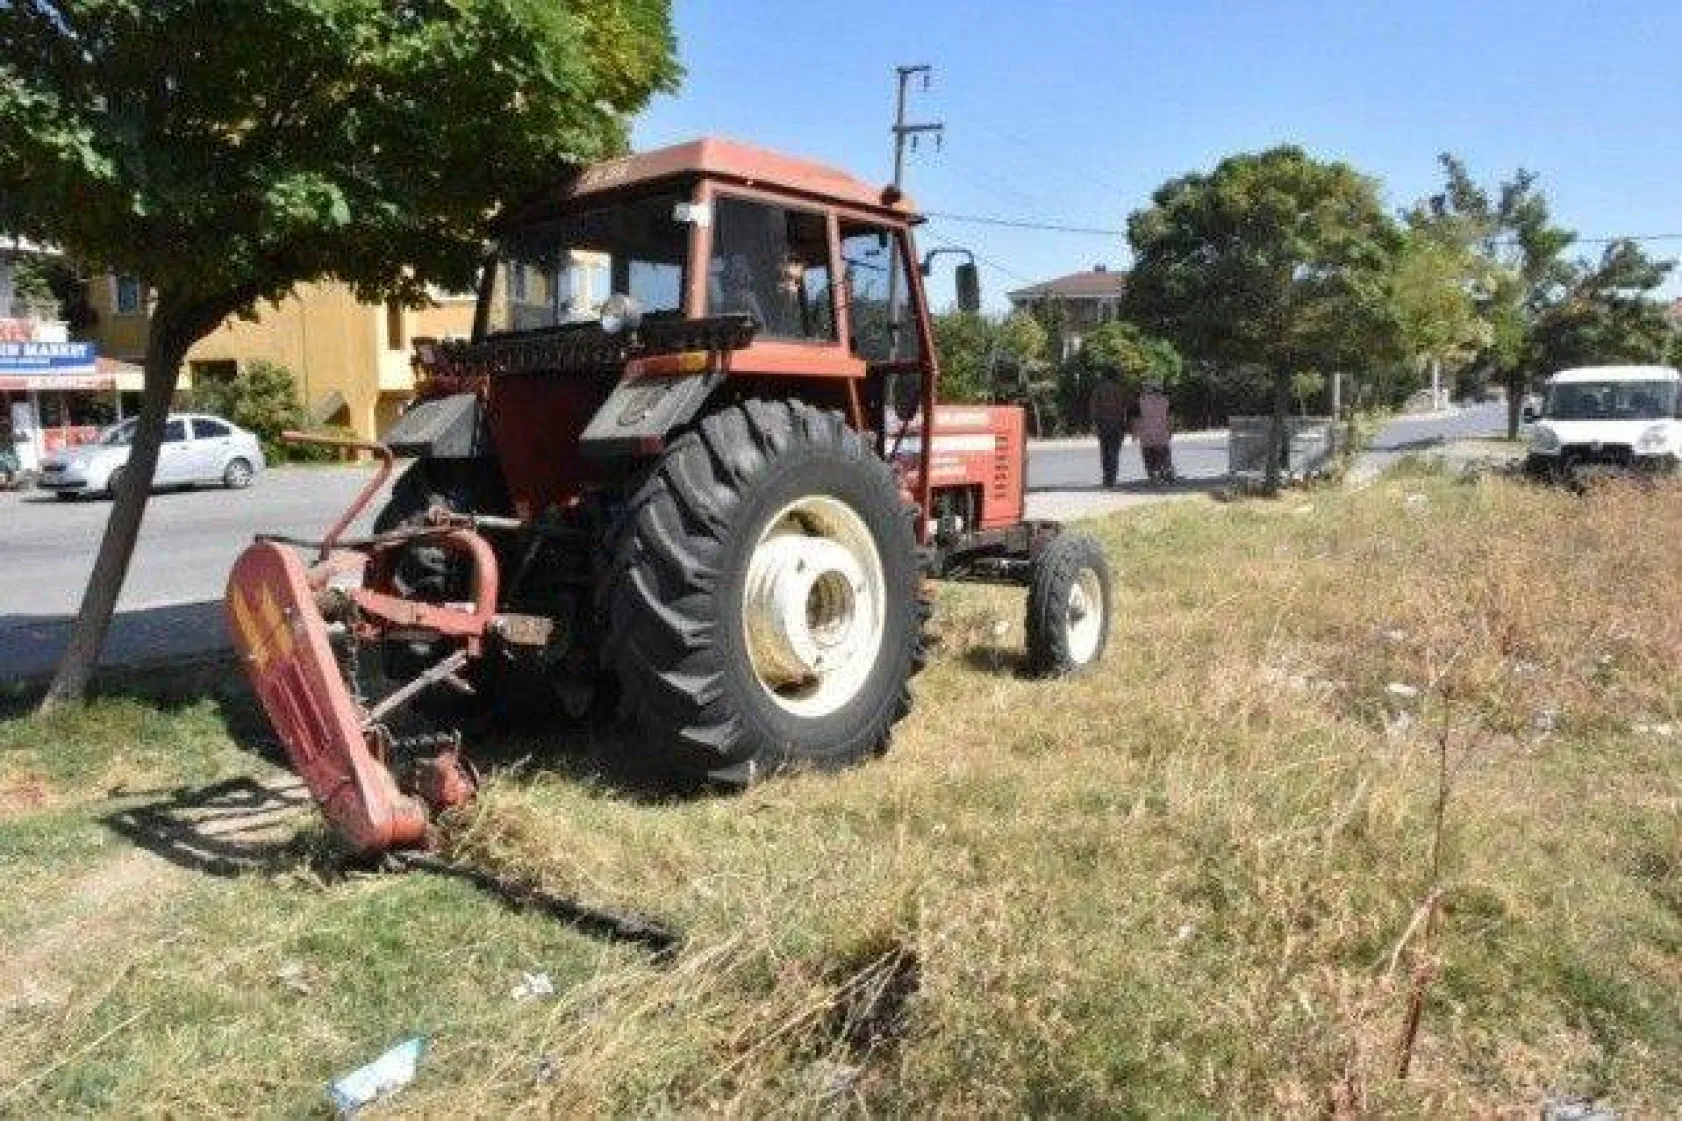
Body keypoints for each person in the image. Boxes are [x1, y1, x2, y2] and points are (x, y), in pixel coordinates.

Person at [1089, 368, 1128, 487]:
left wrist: (1094, 423)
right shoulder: (1120, 390)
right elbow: (1126, 406)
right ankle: (1112, 477)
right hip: (1117, 423)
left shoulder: (1098, 390)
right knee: (1114, 452)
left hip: (1103, 423)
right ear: (1115, 376)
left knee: (1105, 450)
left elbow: (1093, 407)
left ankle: (1107, 477)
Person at [1135, 380, 1174, 483]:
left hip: (1146, 434)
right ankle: (1167, 470)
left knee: (1148, 456)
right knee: (1163, 454)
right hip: (1162, 433)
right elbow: (1170, 418)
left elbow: (1137, 419)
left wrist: (1135, 433)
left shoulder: (1140, 401)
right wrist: (1170, 430)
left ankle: (1153, 475)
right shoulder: (1165, 400)